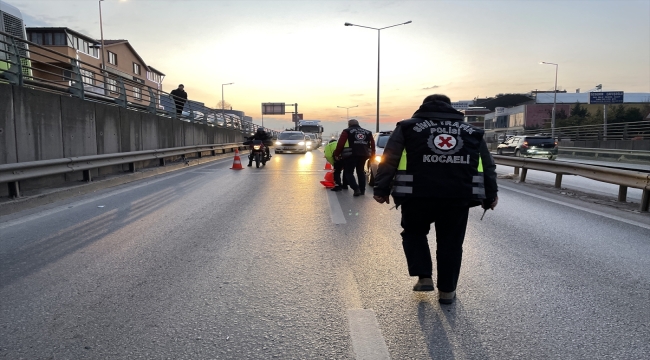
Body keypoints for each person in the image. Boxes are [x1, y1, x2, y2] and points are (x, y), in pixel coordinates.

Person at [372, 94, 498, 304]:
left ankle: (424, 277)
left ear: (423, 106)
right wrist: (490, 194)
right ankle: (447, 292)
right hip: (458, 196)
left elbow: (389, 159)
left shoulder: (407, 127)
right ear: (450, 108)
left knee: (414, 233)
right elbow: (487, 165)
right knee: (451, 243)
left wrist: (381, 189)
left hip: (416, 195)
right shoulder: (472, 132)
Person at [333, 119, 375, 196]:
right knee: (361, 171)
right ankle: (362, 190)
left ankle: (356, 189)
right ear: (358, 124)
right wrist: (373, 155)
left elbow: (340, 144)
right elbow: (372, 144)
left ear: (349, 125)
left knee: (349, 173)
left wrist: (337, 154)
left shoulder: (347, 131)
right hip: (364, 154)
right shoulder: (368, 132)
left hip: (351, 155)